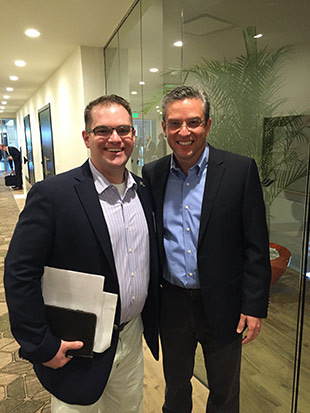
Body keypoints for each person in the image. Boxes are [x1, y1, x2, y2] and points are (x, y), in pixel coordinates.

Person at [4, 94, 159, 412]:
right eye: (103, 131)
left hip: (130, 336)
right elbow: (20, 272)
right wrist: (40, 344)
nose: (114, 139)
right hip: (76, 343)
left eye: (123, 130)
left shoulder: (145, 193)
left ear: (133, 135)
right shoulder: (53, 194)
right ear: (87, 137)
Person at [142, 86, 271, 413]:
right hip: (171, 303)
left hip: (224, 305)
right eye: (175, 124)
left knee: (224, 391)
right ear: (164, 128)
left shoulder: (240, 171)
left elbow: (256, 245)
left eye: (193, 122)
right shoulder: (152, 174)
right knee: (175, 387)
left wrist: (254, 306)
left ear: (208, 125)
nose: (184, 132)